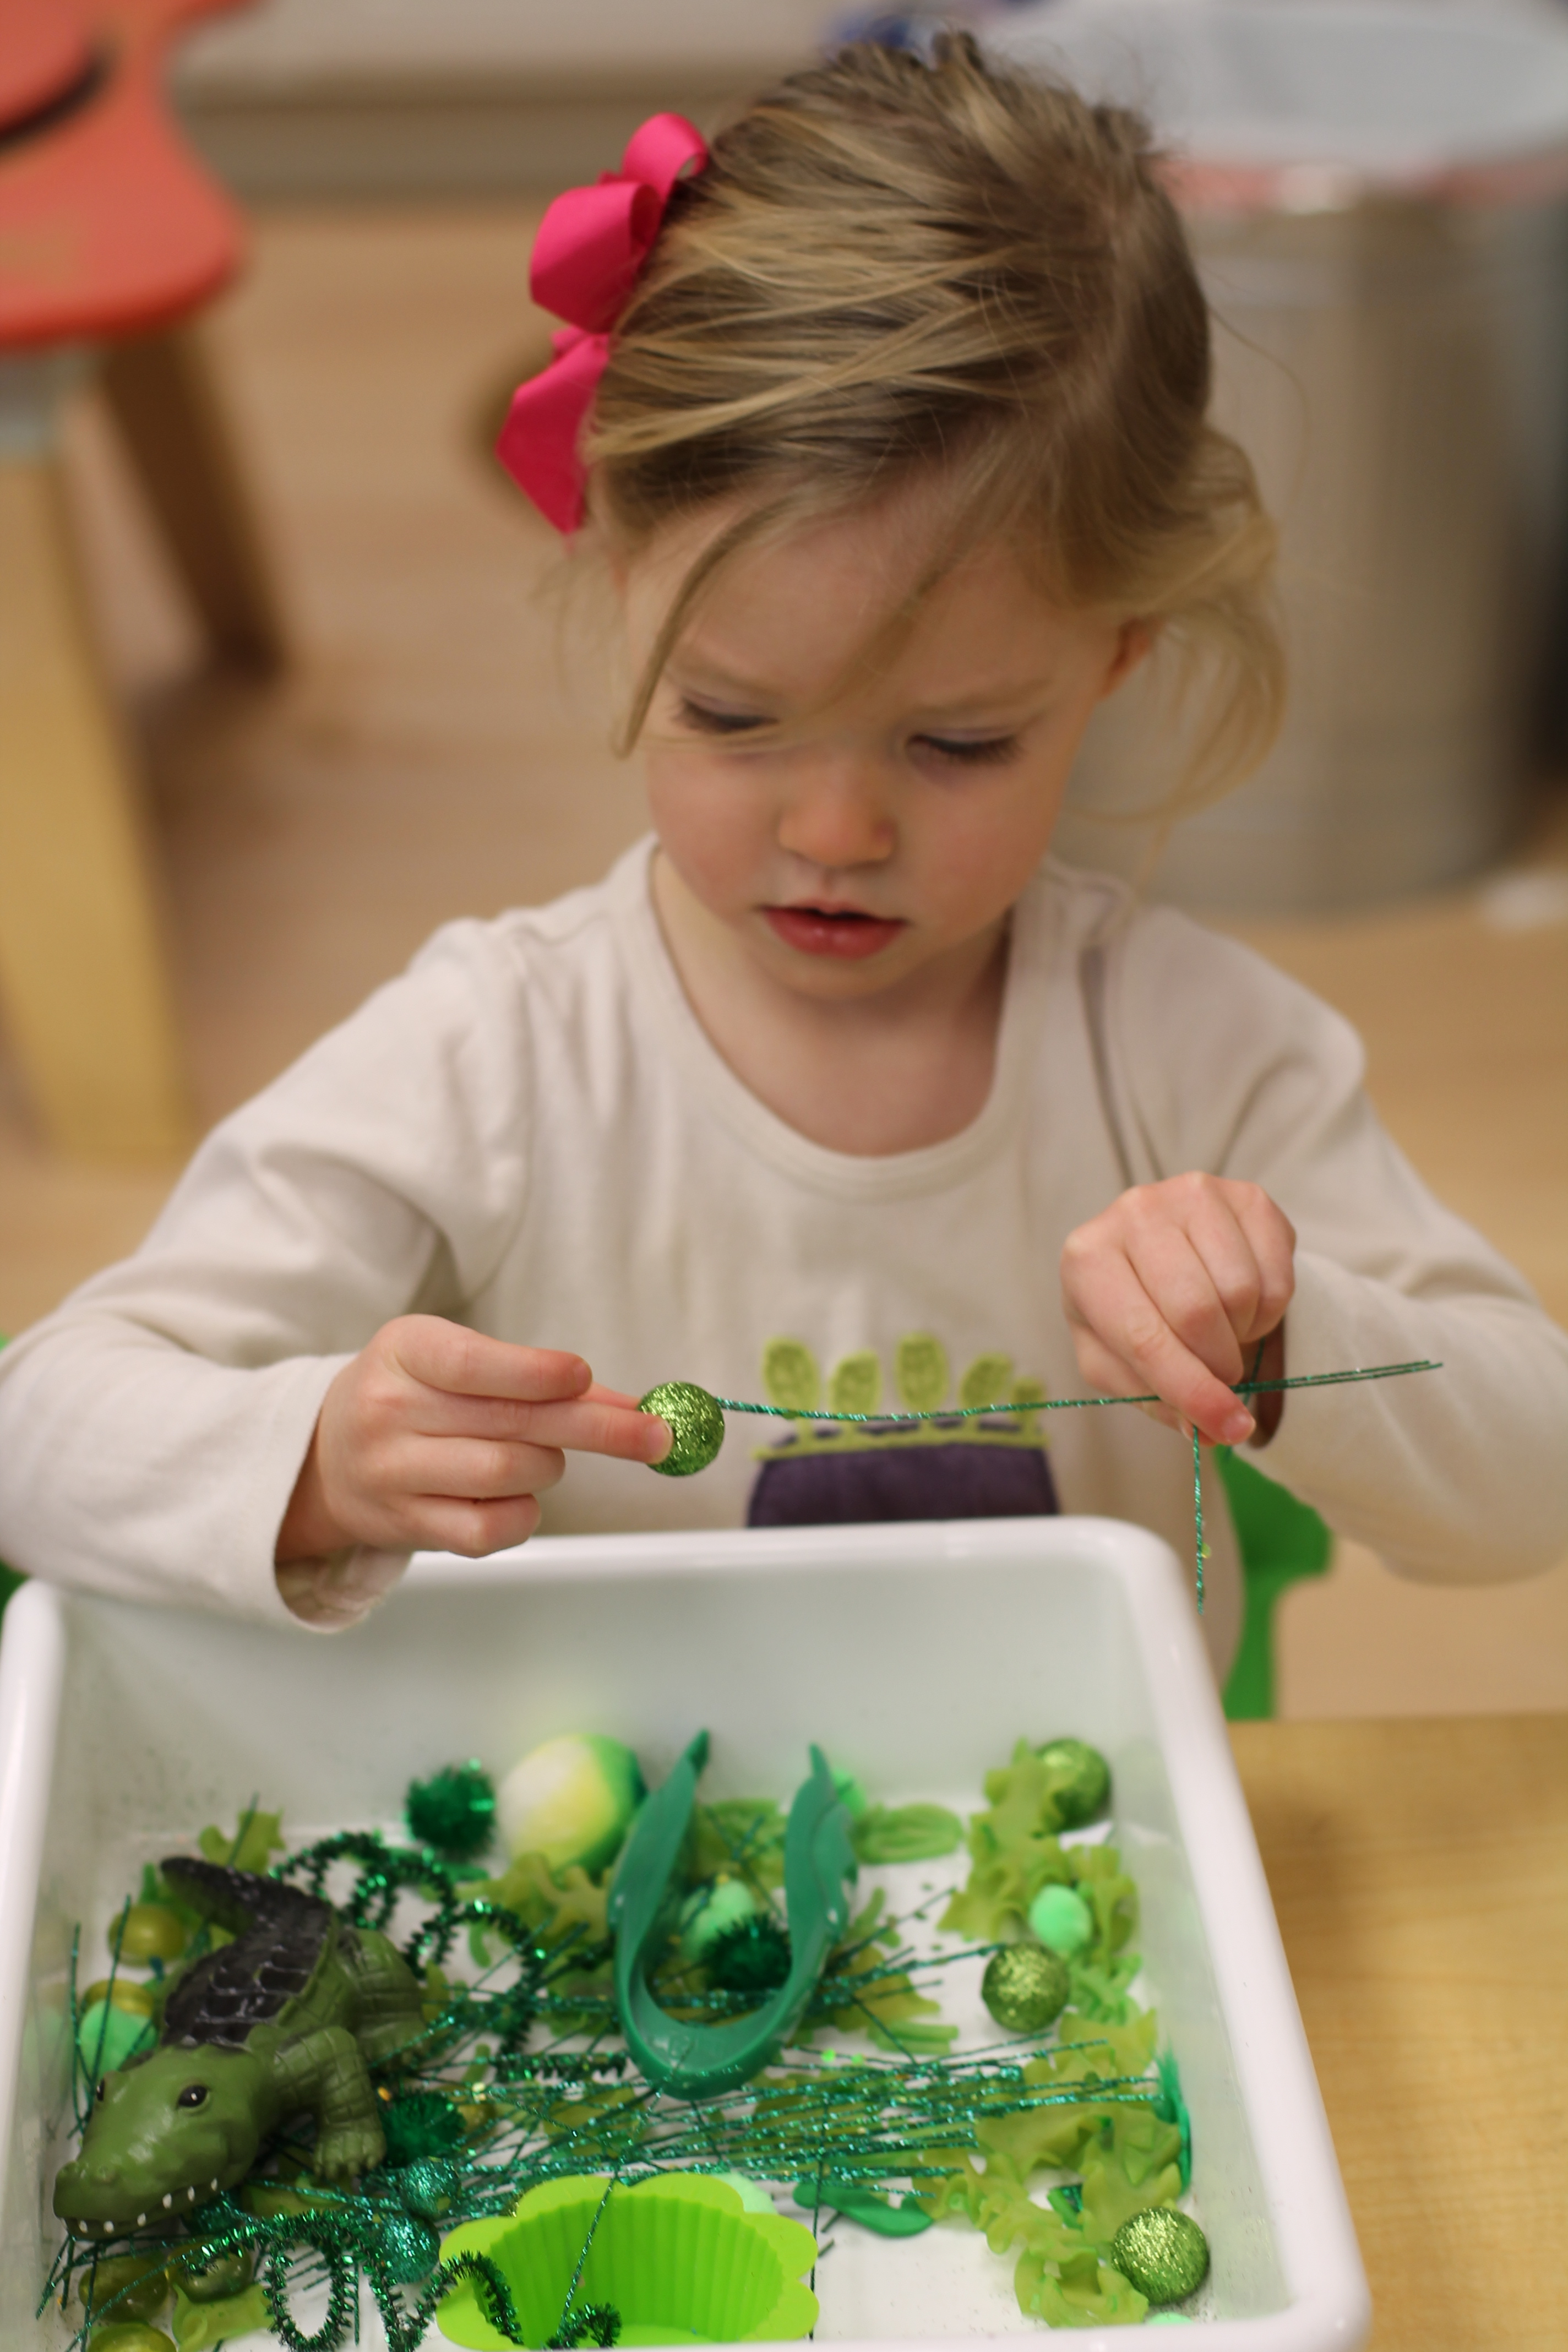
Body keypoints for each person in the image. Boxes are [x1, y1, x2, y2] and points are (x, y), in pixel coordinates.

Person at [0, 38, 1563, 1676]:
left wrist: (1287, 1339)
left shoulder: (1193, 1054)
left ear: (1116, 652)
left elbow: (1533, 1484)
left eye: (958, 742)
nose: (836, 834)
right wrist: (316, 1461)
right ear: (621, 576)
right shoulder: (501, 1058)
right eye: (734, 716)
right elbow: (44, 1425)